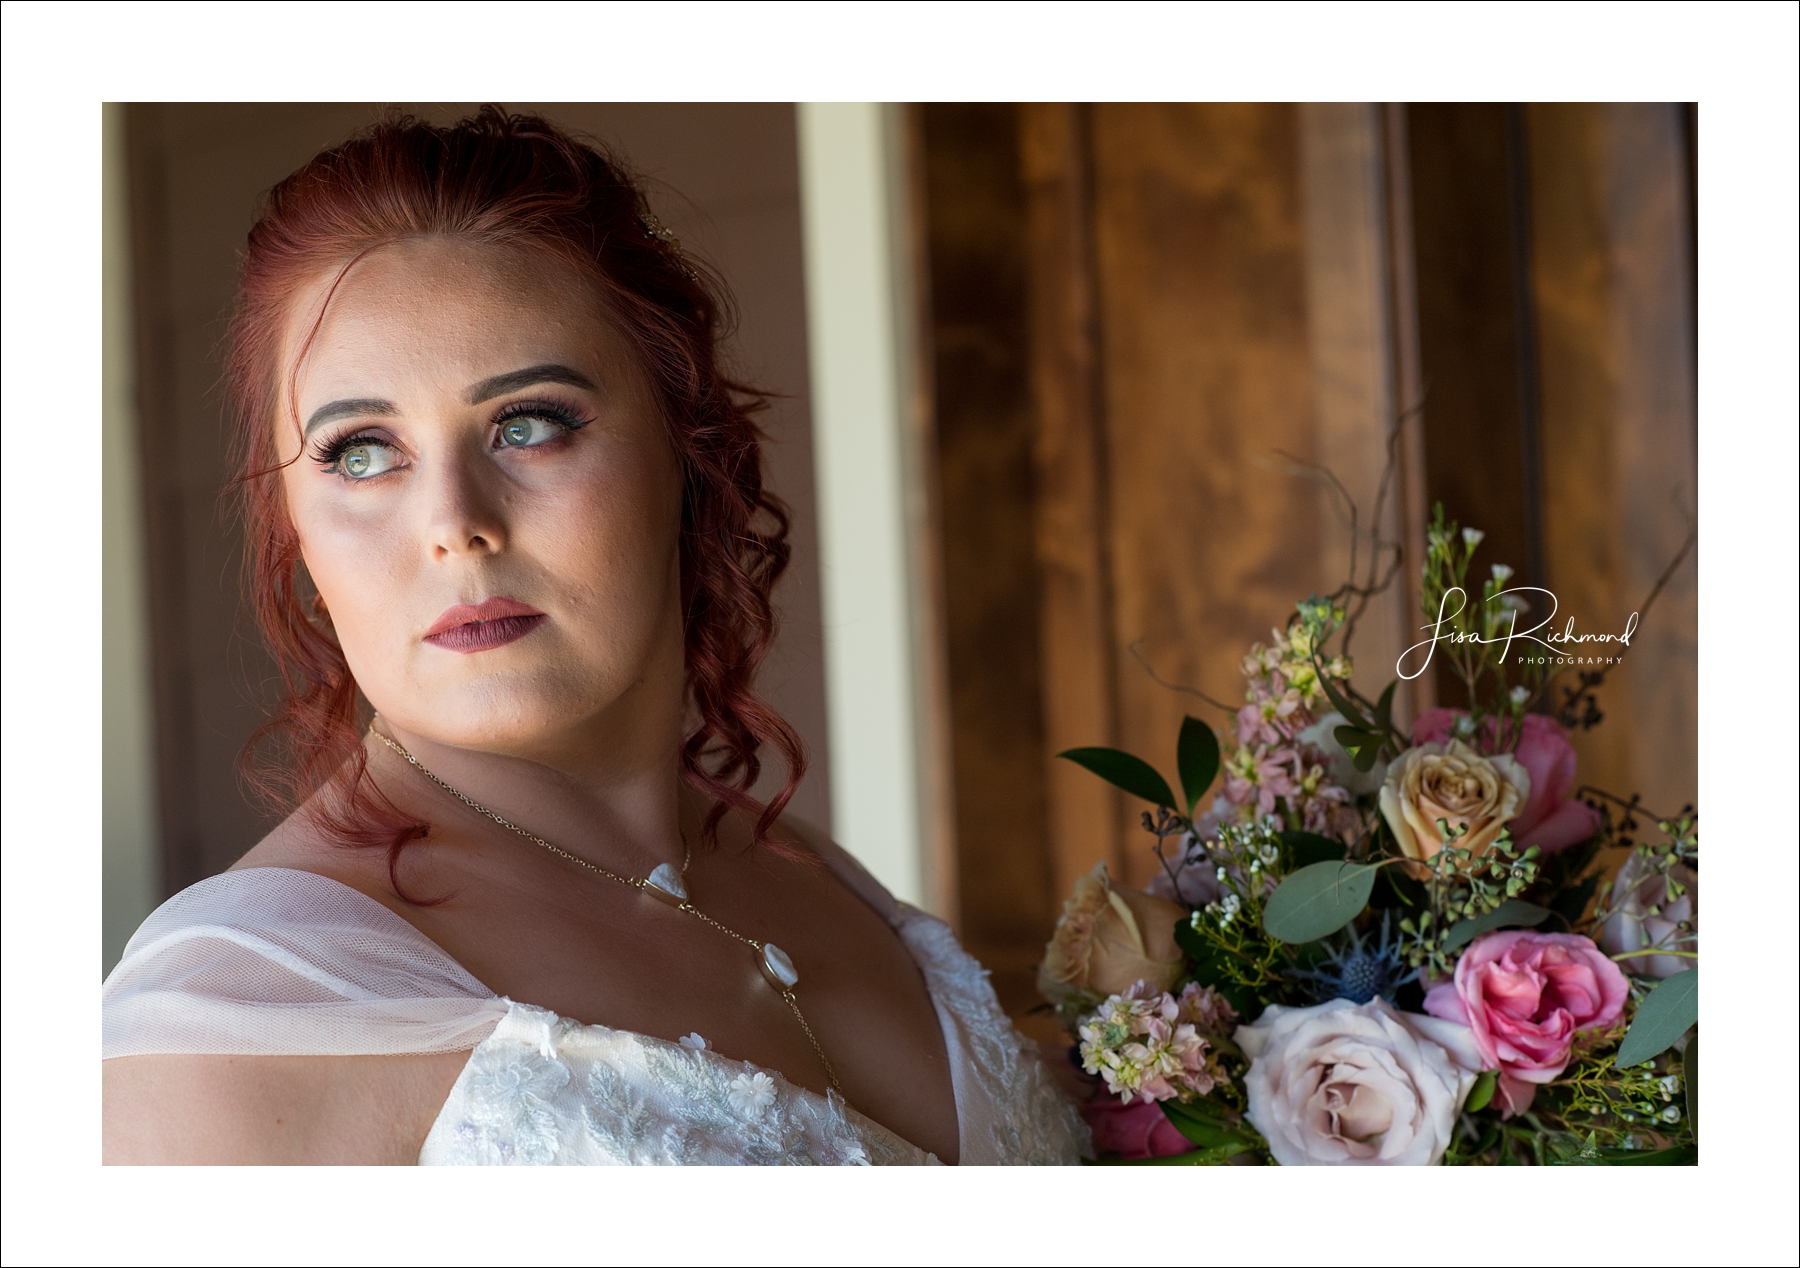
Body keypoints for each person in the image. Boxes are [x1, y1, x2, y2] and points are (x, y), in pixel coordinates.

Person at [102, 108, 1087, 1166]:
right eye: (360, 451)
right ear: (295, 525)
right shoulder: (232, 1017)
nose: (454, 523)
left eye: (528, 421)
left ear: (687, 445)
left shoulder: (811, 875)